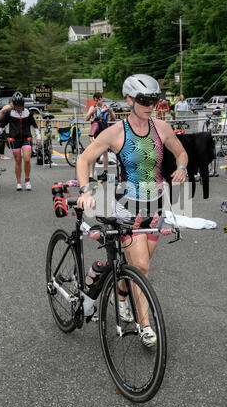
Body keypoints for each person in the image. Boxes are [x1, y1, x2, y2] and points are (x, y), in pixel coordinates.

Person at [77, 74, 188, 346]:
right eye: (144, 100)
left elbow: (181, 152)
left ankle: (122, 295)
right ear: (129, 100)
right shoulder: (116, 132)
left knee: (134, 266)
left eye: (154, 99)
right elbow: (84, 159)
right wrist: (85, 191)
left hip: (157, 206)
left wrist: (182, 168)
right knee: (141, 267)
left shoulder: (162, 127)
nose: (151, 105)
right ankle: (146, 326)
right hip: (128, 209)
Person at [0, 91, 41, 191]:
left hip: (26, 138)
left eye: (21, 106)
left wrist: (38, 137)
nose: (19, 109)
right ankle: (18, 182)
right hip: (14, 139)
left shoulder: (28, 112)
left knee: (27, 159)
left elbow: (35, 126)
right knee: (18, 161)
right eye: (17, 107)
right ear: (13, 105)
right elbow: (1, 125)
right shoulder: (9, 112)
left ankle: (27, 181)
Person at [86, 92, 116, 182]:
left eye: (99, 99)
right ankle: (91, 174)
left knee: (105, 152)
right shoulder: (93, 108)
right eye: (96, 100)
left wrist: (110, 112)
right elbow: (86, 118)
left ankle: (105, 172)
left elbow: (113, 119)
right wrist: (91, 112)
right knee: (94, 152)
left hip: (105, 131)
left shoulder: (106, 107)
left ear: (101, 99)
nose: (98, 101)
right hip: (96, 132)